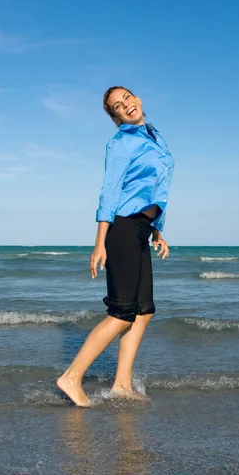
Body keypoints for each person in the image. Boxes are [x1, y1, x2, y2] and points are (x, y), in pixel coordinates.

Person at [56, 86, 174, 406]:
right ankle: (71, 377)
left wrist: (157, 230)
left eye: (127, 99)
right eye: (117, 106)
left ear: (138, 100)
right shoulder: (121, 143)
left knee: (144, 311)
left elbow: (156, 188)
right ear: (114, 116)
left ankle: (122, 384)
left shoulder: (153, 135)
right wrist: (99, 243)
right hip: (121, 227)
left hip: (141, 228)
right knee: (122, 313)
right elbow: (110, 192)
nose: (125, 106)